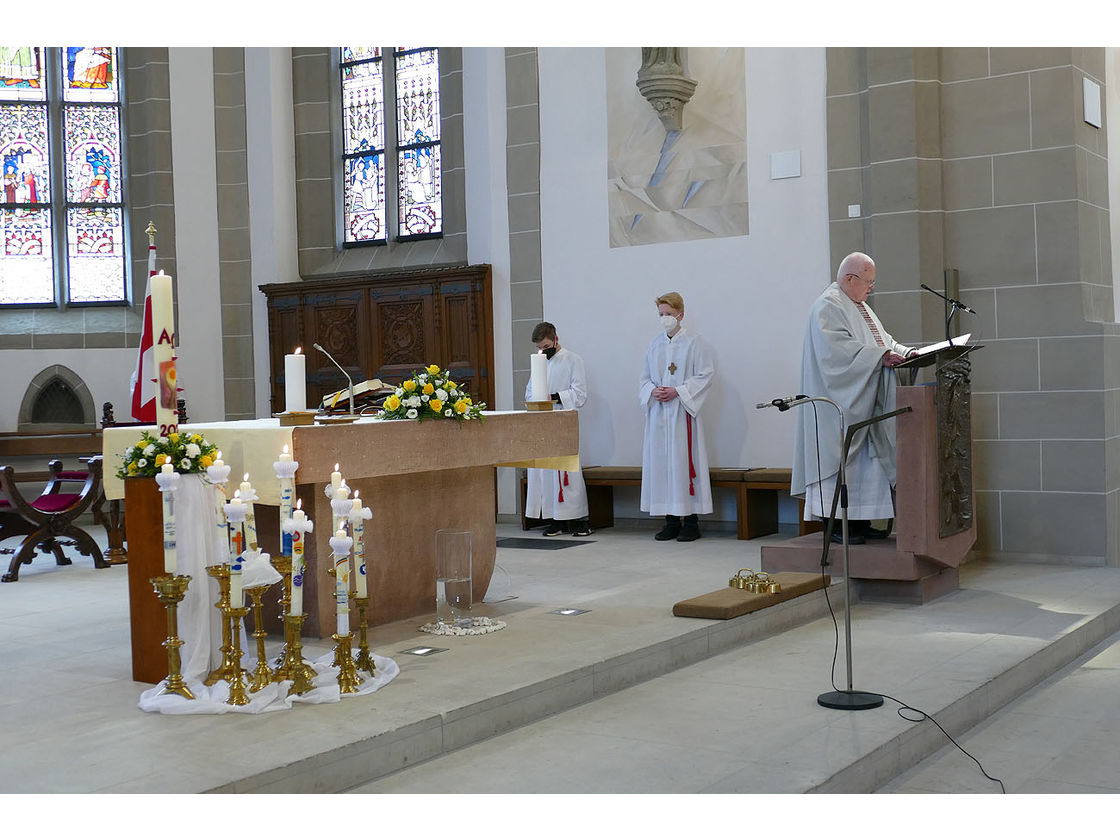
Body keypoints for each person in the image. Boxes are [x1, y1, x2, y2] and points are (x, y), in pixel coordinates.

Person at [792, 252, 917, 544]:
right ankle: (834, 524)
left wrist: (908, 353)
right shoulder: (828, 305)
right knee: (842, 462)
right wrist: (881, 357)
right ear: (850, 278)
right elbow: (835, 353)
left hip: (864, 400)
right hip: (838, 405)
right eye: (868, 282)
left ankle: (859, 523)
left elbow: (882, 340)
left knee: (867, 467)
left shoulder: (859, 306)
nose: (871, 288)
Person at [639, 292, 714, 541]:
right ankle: (670, 521)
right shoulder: (654, 344)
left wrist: (678, 391)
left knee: (683, 463)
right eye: (661, 314)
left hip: (682, 413)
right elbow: (644, 378)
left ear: (680, 314)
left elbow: (705, 375)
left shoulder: (695, 342)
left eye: (668, 314)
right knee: (662, 464)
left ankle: (691, 522)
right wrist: (653, 390)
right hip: (660, 415)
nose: (664, 319)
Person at [523, 322, 592, 537]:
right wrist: (536, 400)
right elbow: (529, 391)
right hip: (543, 424)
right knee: (547, 474)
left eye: (546, 346)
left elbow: (580, 394)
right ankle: (556, 519)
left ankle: (580, 519)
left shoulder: (573, 360)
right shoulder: (539, 362)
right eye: (540, 348)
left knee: (567, 473)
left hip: (563, 421)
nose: (544, 351)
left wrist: (554, 398)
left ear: (555, 339)